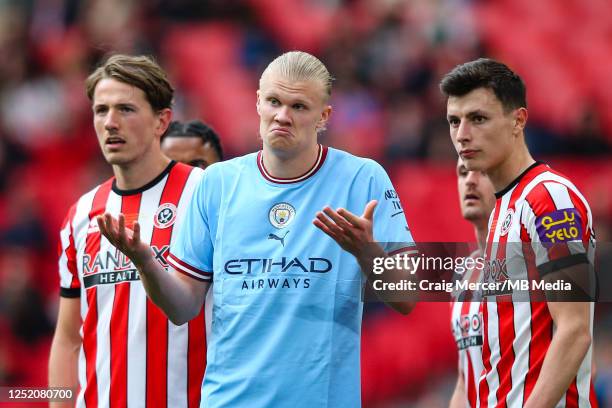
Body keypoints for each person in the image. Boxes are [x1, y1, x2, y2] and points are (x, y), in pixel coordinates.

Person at [97, 50, 416, 407]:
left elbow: (408, 298)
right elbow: (183, 307)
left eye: (299, 107)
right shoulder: (217, 182)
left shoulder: (362, 178)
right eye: (274, 102)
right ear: (258, 103)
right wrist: (144, 260)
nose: (283, 116)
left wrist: (367, 253)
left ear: (323, 116)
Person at [49, 54, 208, 408]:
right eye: (101, 110)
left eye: (126, 109)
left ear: (161, 121)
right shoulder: (81, 214)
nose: (110, 122)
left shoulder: (206, 195)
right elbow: (67, 337)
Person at [441, 58, 597, 407]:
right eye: (454, 121)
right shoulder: (501, 216)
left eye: (478, 118)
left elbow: (574, 331)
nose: (462, 134)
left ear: (518, 120)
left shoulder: (550, 199)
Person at [449, 158, 495, 408]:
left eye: (483, 172)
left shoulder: (536, 259)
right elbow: (464, 378)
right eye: (463, 172)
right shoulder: (464, 273)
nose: (470, 180)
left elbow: (582, 358)